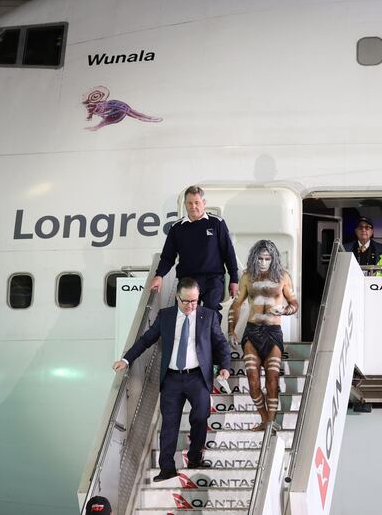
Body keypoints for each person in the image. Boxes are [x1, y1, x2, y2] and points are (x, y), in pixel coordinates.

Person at [113, 277, 231, 482]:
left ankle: (194, 457)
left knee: (201, 416)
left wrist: (225, 368)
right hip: (172, 379)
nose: (191, 306)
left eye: (194, 301)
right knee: (169, 424)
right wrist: (126, 359)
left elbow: (221, 344)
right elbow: (146, 340)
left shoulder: (208, 316)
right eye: (186, 301)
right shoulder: (165, 316)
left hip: (198, 377)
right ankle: (166, 468)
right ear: (177, 297)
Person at [228, 240, 298, 430]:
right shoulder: (247, 277)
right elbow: (236, 305)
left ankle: (270, 422)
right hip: (252, 331)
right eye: (260, 258)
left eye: (267, 258)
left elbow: (294, 304)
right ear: (254, 257)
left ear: (273, 258)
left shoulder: (283, 277)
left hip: (273, 332)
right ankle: (265, 419)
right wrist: (231, 331)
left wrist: (283, 310)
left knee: (272, 378)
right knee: (252, 380)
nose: (263, 262)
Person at [150, 185, 239, 318]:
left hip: (213, 279)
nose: (193, 206)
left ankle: (209, 339)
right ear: (185, 204)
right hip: (187, 279)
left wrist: (234, 279)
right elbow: (168, 257)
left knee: (211, 312)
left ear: (203, 203)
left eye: (197, 202)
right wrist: (159, 275)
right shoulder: (177, 228)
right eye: (189, 203)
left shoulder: (217, 223)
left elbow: (228, 252)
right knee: (184, 314)